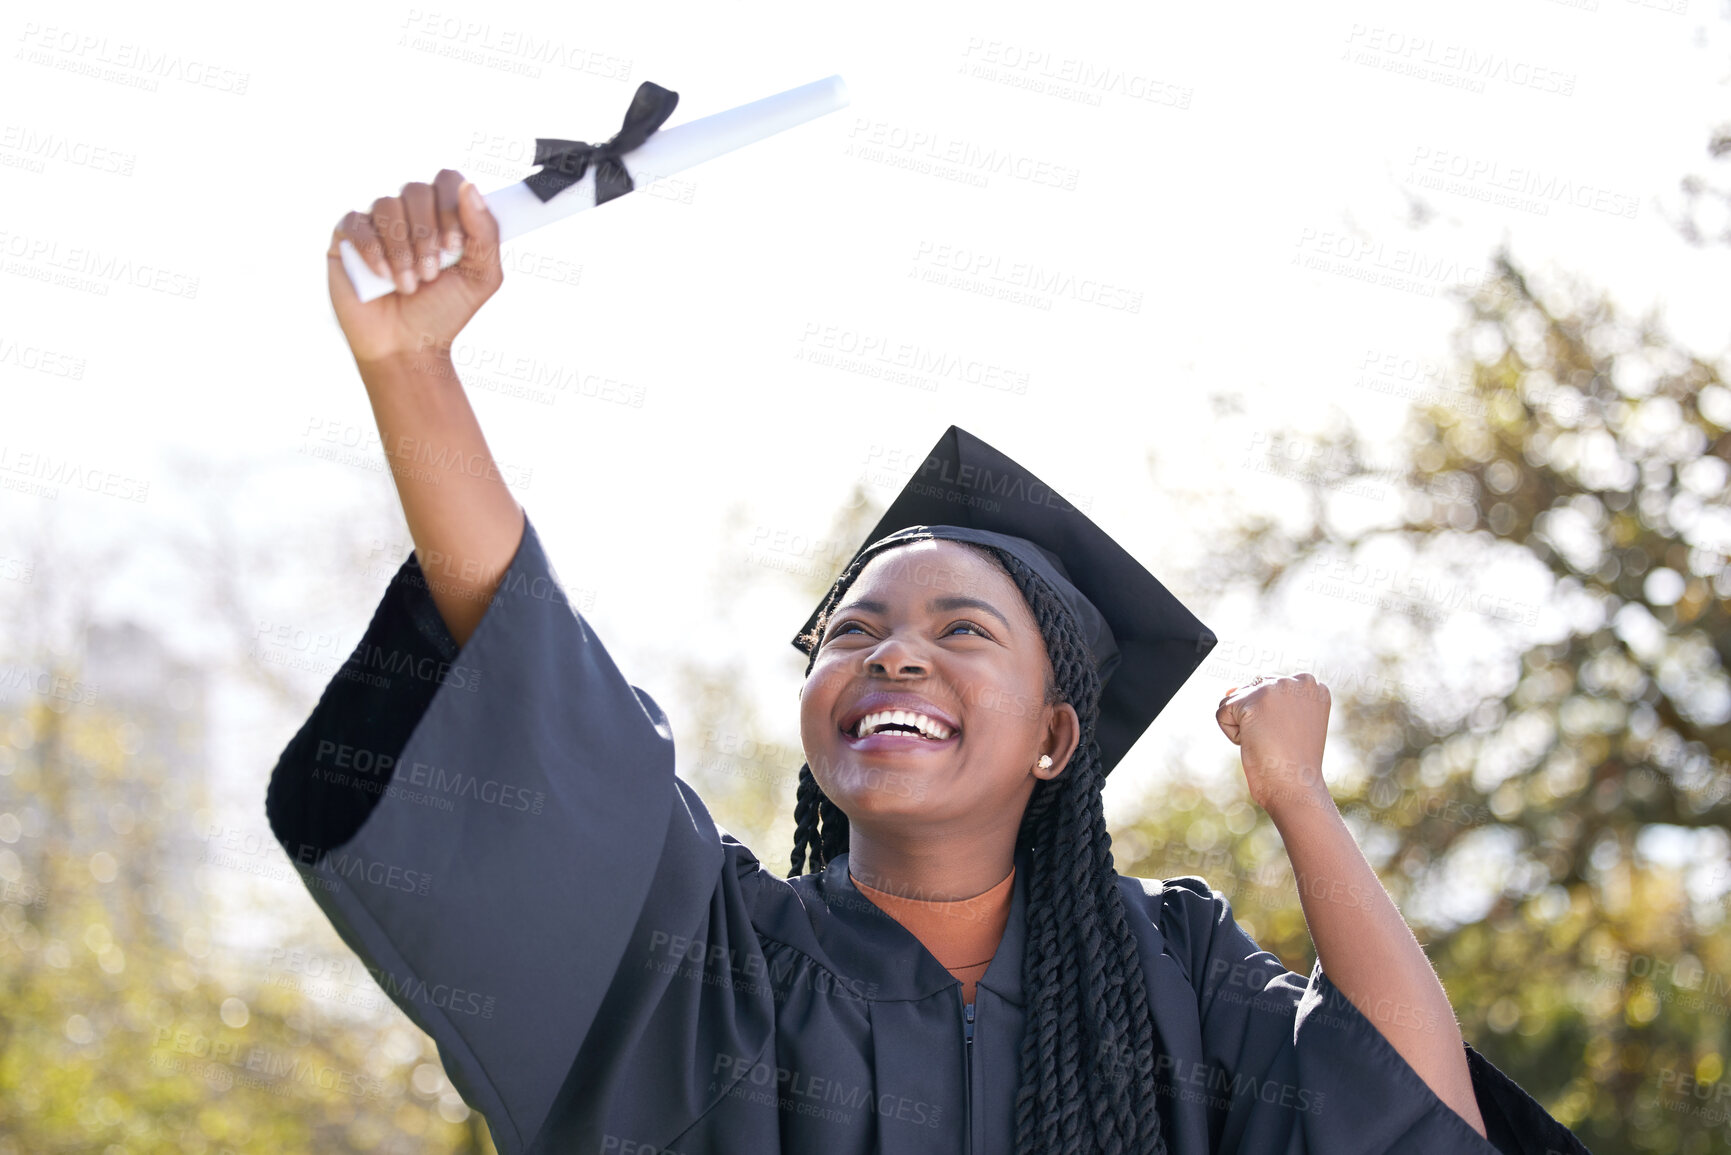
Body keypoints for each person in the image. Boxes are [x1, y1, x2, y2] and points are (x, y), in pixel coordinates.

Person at [267, 170, 1593, 1154]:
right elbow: (543, 688)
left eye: (963, 631)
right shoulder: (731, 960)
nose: (893, 655)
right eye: (855, 631)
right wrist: (414, 369)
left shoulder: (1171, 976)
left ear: (1057, 736)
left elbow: (1413, 1118)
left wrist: (1303, 803)